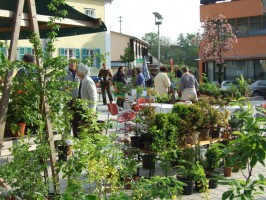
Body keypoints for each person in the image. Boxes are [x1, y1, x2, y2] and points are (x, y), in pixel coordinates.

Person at [61, 57, 80, 137]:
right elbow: (58, 85)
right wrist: (64, 88)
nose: (72, 64)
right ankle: (67, 136)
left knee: (77, 119)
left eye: (74, 62)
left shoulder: (80, 72)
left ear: (76, 63)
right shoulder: (64, 72)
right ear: (68, 63)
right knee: (67, 119)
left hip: (78, 99)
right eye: (71, 62)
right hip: (67, 99)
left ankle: (76, 136)